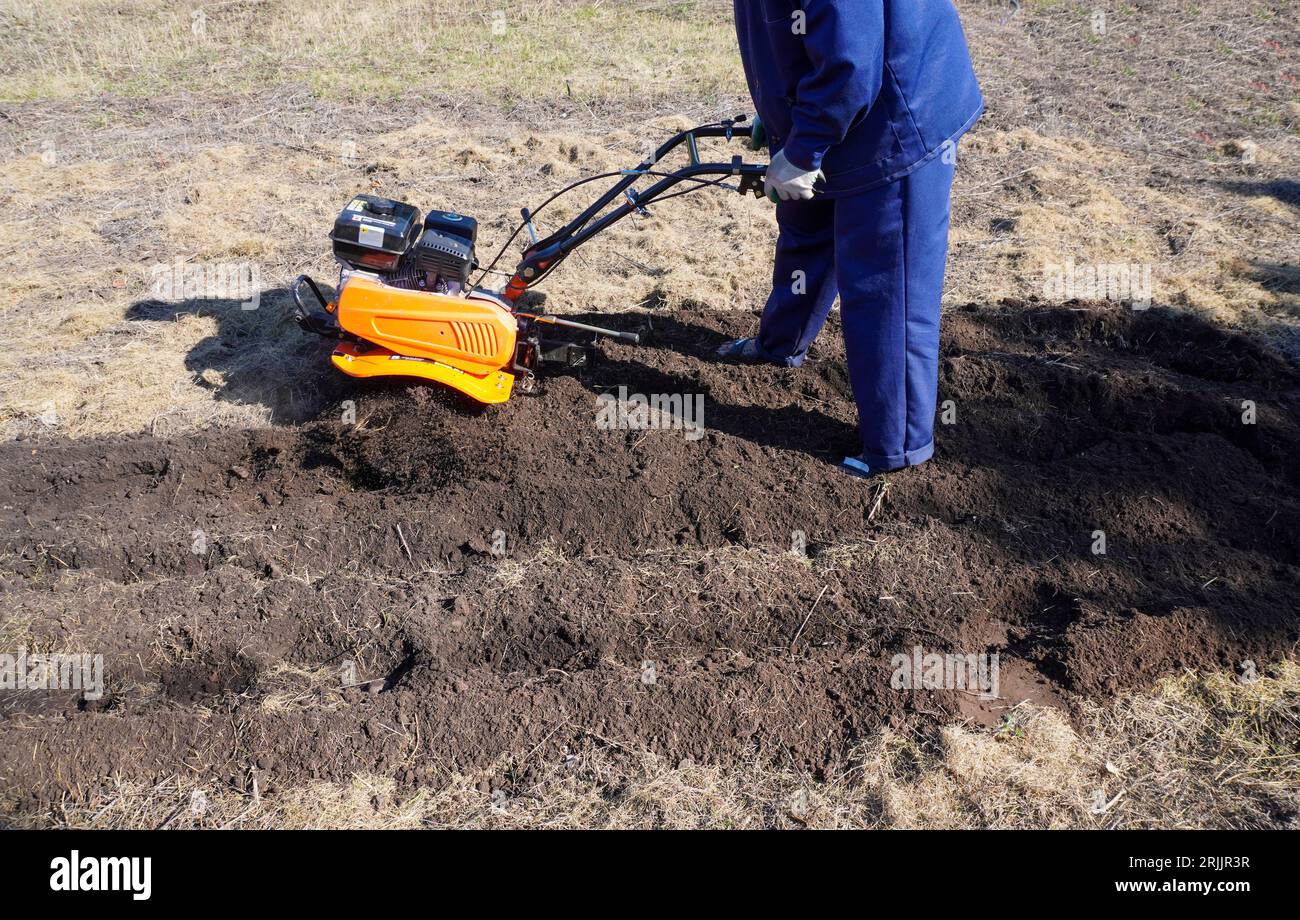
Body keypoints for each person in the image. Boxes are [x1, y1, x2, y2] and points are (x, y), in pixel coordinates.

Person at [723, 0, 983, 477]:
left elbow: (851, 55)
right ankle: (780, 345)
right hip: (838, 102)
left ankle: (896, 448)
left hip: (896, 118)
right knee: (807, 227)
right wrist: (780, 113)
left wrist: (806, 145)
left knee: (886, 283)